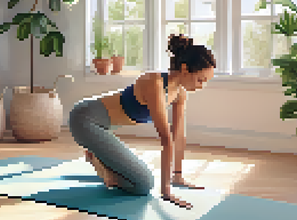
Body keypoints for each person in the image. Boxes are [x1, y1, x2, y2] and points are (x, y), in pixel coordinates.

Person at [68, 34, 216, 209]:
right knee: (144, 185)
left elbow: (179, 135)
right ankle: (103, 167)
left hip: (102, 127)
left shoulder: (179, 93)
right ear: (185, 69)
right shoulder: (155, 83)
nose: (201, 86)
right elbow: (166, 139)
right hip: (85, 119)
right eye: (200, 80)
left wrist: (177, 175)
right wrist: (166, 191)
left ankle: (99, 160)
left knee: (139, 181)